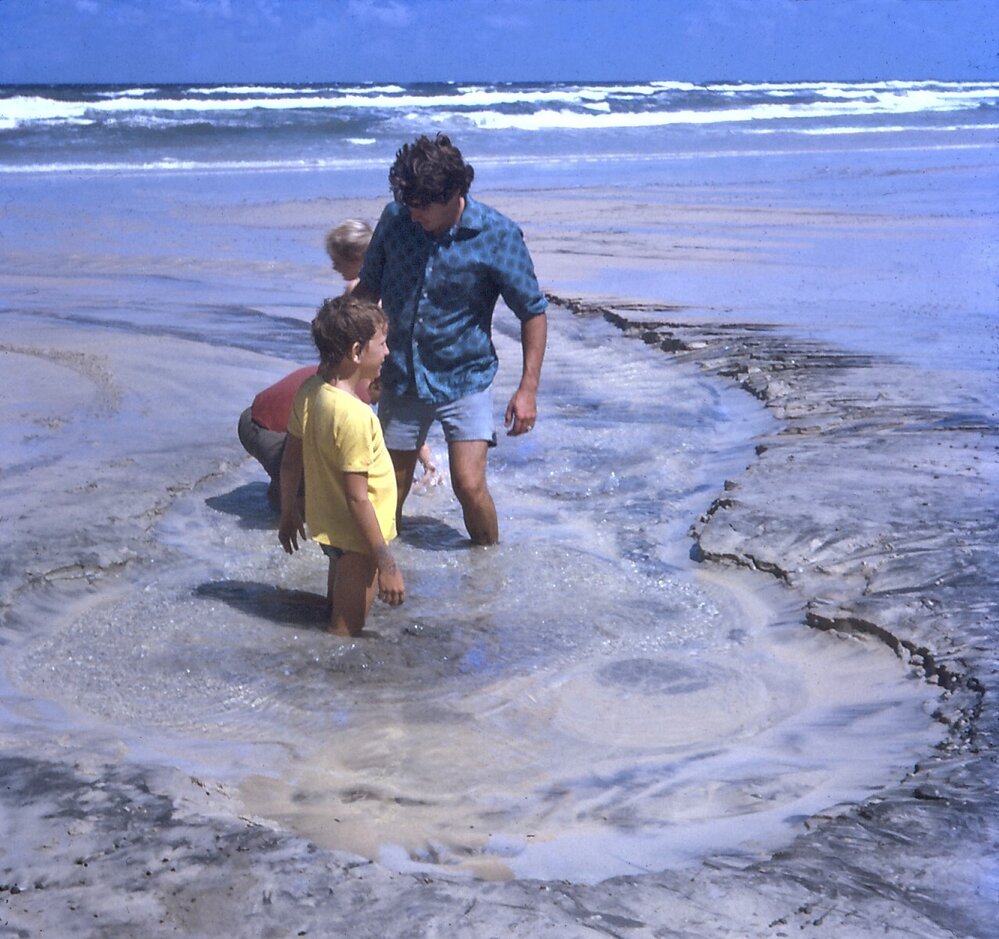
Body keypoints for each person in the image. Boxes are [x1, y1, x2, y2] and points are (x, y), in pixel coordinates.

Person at [353, 133, 548, 545]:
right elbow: (367, 291)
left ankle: (486, 574)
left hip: (465, 375)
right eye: (408, 202)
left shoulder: (496, 235)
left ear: (455, 192)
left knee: (469, 486)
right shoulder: (395, 220)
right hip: (402, 374)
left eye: (423, 205)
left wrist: (527, 388)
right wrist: (346, 363)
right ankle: (385, 576)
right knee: (389, 490)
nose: (413, 213)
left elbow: (532, 311)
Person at [278, 296, 404, 636]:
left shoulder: (310, 391)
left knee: (333, 614)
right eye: (382, 344)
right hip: (359, 542)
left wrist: (287, 511)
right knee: (345, 635)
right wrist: (386, 563)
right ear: (356, 352)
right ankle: (335, 687)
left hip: (334, 531)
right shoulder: (355, 416)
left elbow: (290, 463)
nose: (388, 352)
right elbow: (358, 498)